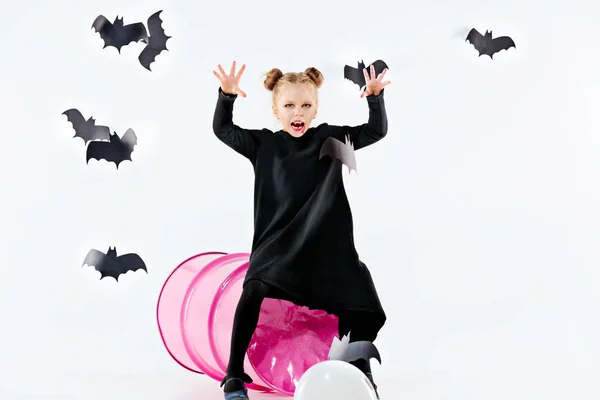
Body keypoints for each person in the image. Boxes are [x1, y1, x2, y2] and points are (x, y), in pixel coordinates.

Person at [212, 61, 391, 400]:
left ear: (316, 109)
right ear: (275, 110)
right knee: (253, 290)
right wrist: (226, 96)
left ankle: (358, 363)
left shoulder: (330, 139)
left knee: (360, 301)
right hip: (277, 249)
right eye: (290, 105)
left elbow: (374, 132)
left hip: (324, 250)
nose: (298, 112)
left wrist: (375, 99)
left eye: (306, 105)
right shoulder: (263, 144)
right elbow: (224, 130)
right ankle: (234, 374)